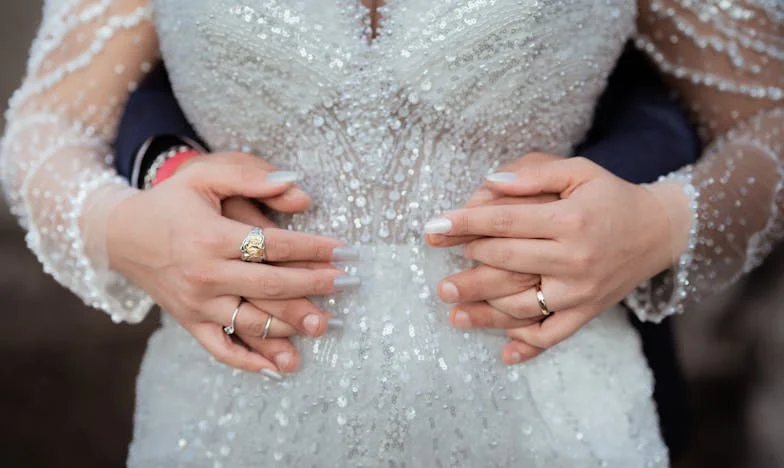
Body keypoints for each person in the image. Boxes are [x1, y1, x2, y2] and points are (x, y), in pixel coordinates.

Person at [0, 1, 780, 466]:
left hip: (548, 406)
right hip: (232, 410)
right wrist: (125, 229)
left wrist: (660, 224)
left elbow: (769, 119)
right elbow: (49, 120)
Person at [112, 44, 698, 461]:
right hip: (241, 392)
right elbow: (81, 106)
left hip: (545, 376)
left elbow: (729, 104)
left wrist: (653, 219)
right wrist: (158, 184)